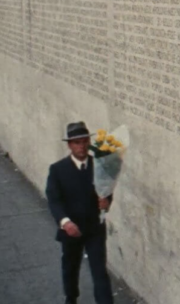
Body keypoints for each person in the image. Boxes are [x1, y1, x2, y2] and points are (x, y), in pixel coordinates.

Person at [46, 121, 114, 304]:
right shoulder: (58, 170)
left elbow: (107, 194)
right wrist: (65, 222)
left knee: (99, 271)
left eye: (84, 142)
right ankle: (71, 298)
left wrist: (106, 203)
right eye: (77, 142)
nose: (81, 146)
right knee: (70, 267)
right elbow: (54, 200)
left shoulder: (99, 166)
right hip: (71, 229)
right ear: (69, 145)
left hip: (94, 229)